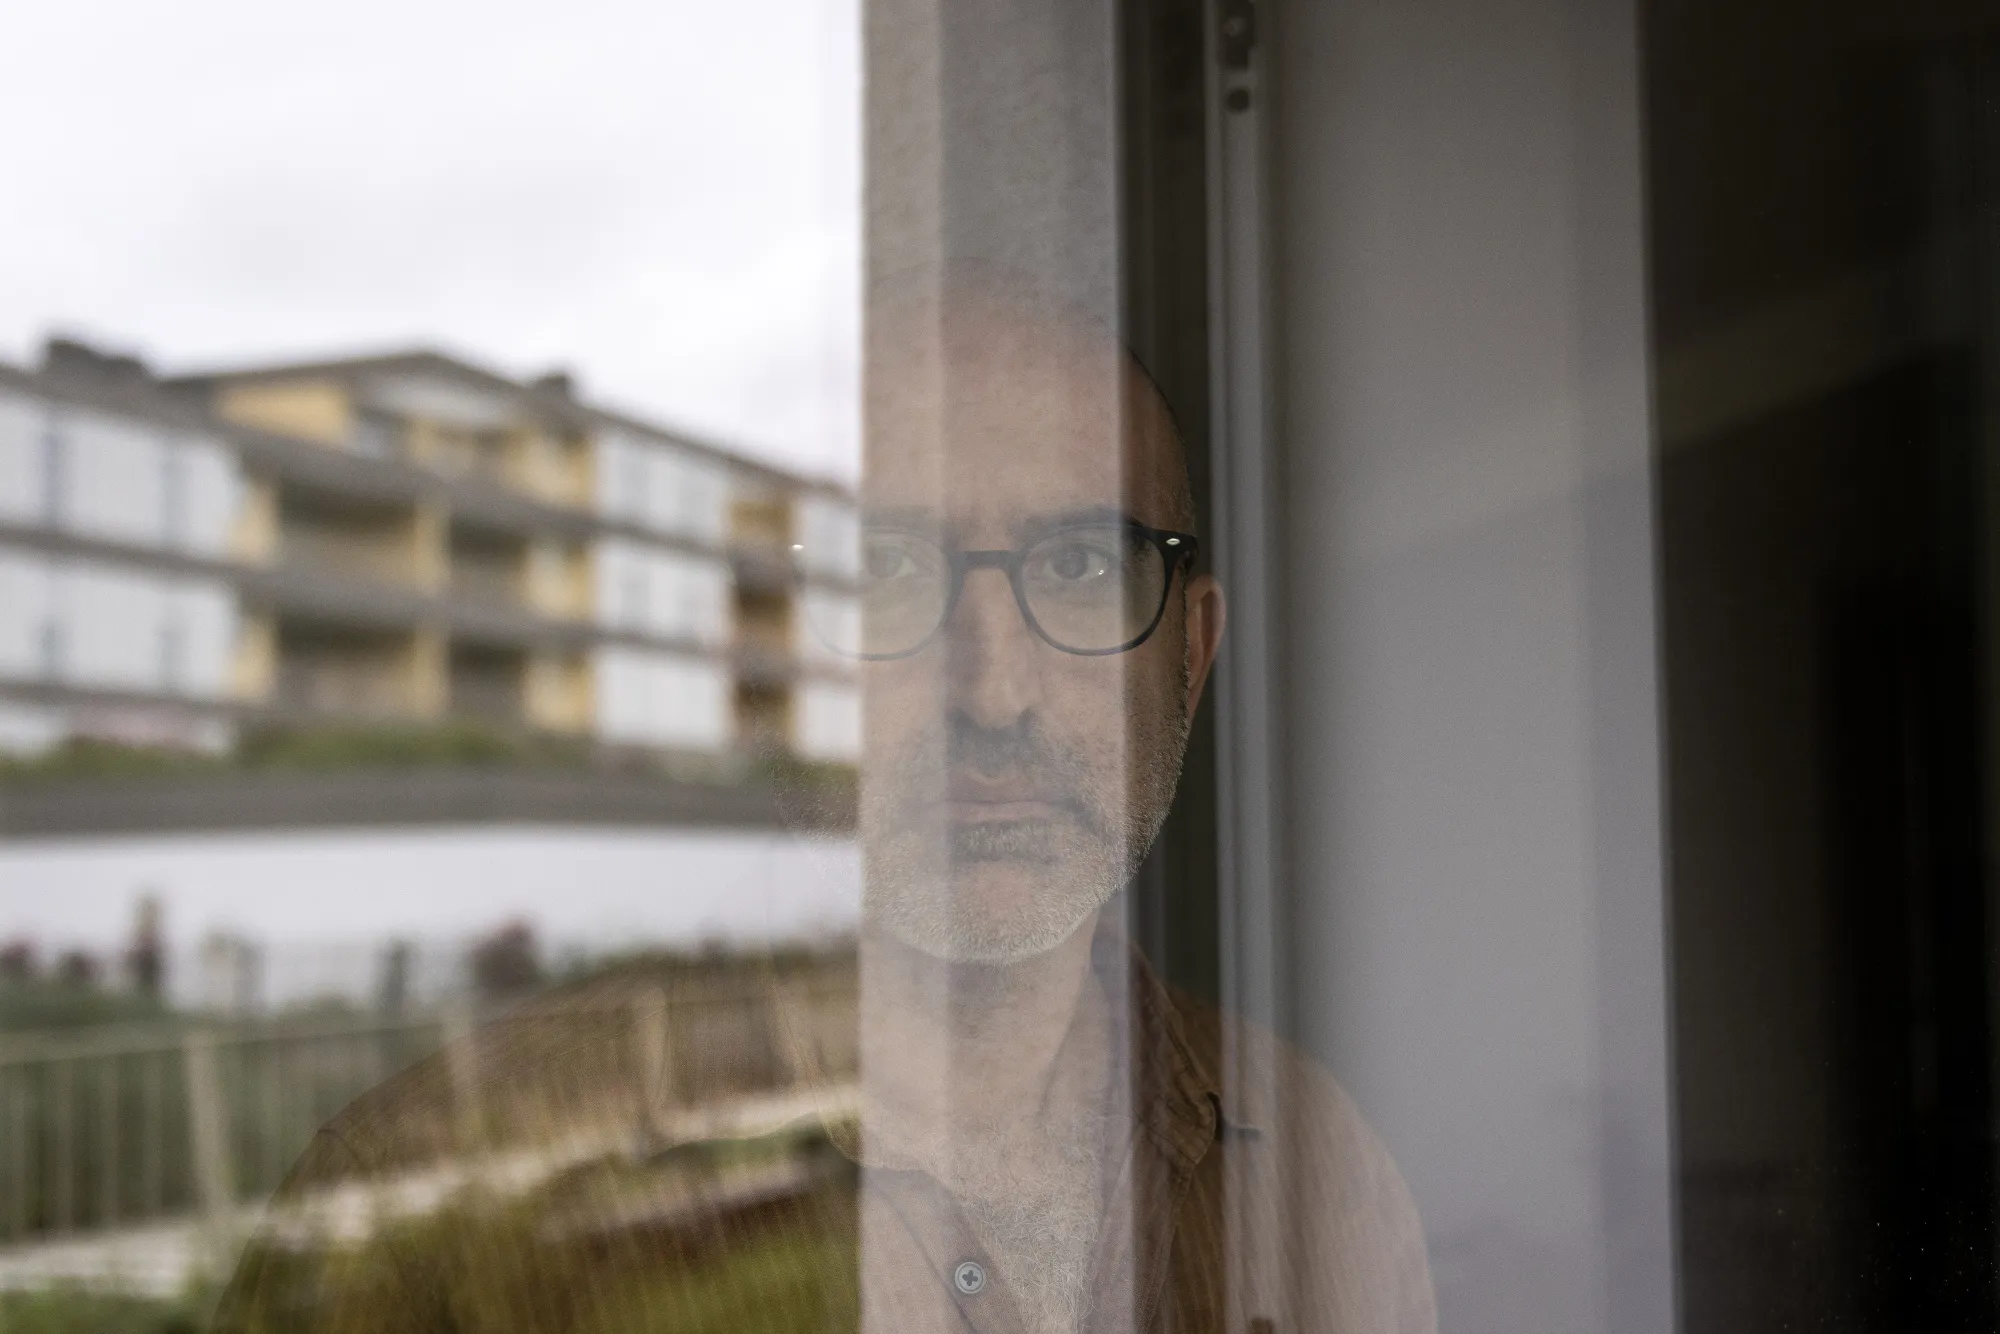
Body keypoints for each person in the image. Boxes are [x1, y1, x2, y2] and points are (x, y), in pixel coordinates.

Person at [208, 273, 1434, 1334]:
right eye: (885, 569)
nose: (993, 689)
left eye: (1080, 564)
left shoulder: (1315, 1155)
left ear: (1194, 649)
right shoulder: (433, 1208)